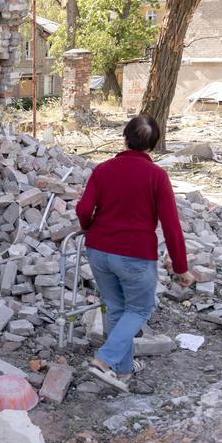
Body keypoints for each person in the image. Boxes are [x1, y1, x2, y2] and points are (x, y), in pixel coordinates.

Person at [75, 114, 196, 393]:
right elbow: (170, 224)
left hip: (98, 250)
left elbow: (83, 210)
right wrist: (181, 267)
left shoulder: (103, 170)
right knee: (140, 308)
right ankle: (104, 361)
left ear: (125, 138)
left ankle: (123, 370)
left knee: (118, 309)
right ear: (152, 146)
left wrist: (91, 228)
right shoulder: (157, 176)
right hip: (135, 255)